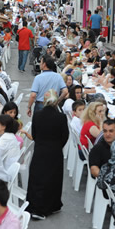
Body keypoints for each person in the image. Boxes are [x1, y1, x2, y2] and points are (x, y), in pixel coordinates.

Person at [26, 90, 69, 220]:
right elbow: (64, 136)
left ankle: (36, 205)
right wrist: (57, 146)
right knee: (53, 179)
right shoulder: (61, 117)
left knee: (37, 178)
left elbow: (34, 133)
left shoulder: (37, 115)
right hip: (54, 151)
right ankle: (52, 205)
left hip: (40, 150)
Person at [0, 115, 21, 182]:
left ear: (4, 127)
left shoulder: (5, 139)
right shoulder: (9, 136)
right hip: (7, 169)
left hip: (3, 174)